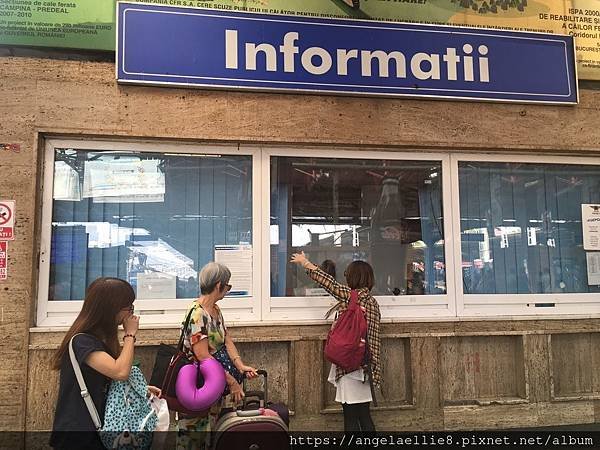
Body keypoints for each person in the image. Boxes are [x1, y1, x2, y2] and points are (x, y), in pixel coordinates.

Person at [50, 277, 159, 450]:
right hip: (78, 432)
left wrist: (139, 389)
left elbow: (109, 380)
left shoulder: (99, 340)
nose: (131, 313)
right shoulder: (82, 342)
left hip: (97, 430)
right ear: (111, 308)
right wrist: (130, 335)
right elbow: (120, 371)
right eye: (128, 307)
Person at [290, 251, 381, 432]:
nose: (345, 278)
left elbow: (329, 284)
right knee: (364, 415)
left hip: (350, 365)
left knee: (351, 418)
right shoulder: (372, 302)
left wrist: (305, 262)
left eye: (347, 275)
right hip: (367, 365)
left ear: (353, 278)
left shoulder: (353, 297)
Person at [177, 262, 258, 449]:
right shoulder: (197, 315)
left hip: (214, 386)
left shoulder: (215, 310)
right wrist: (232, 382)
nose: (228, 290)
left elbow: (226, 339)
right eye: (227, 286)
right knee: (194, 439)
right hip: (197, 385)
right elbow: (203, 357)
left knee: (214, 435)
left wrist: (240, 365)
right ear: (218, 285)